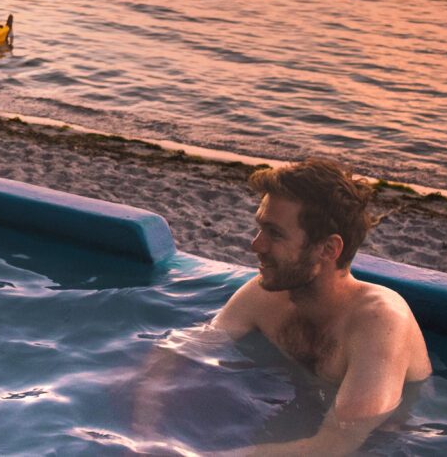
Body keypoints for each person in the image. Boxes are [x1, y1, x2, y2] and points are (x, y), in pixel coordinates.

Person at [134, 158, 431, 455]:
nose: (256, 245)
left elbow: (333, 446)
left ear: (328, 249)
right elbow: (182, 350)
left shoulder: (381, 322)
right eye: (260, 228)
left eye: (274, 233)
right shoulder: (267, 294)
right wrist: (145, 431)